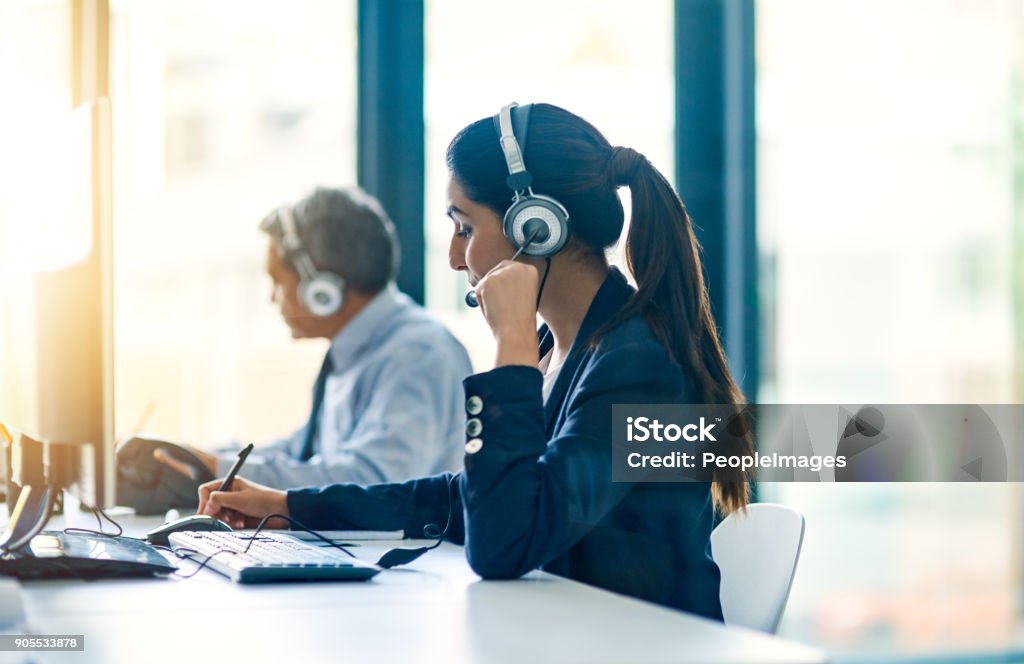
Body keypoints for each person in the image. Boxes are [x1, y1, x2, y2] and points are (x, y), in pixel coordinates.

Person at [196, 104, 752, 619]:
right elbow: (465, 497)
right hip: (571, 634)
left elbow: (503, 542)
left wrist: (509, 348)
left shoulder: (637, 364)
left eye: (464, 226)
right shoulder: (557, 347)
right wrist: (289, 506)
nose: (454, 255)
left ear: (537, 227)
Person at [158, 186, 472, 490]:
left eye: (277, 281)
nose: (272, 298)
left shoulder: (418, 354)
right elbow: (302, 450)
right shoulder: (357, 350)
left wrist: (219, 470)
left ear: (322, 288)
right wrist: (207, 459)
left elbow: (375, 481)